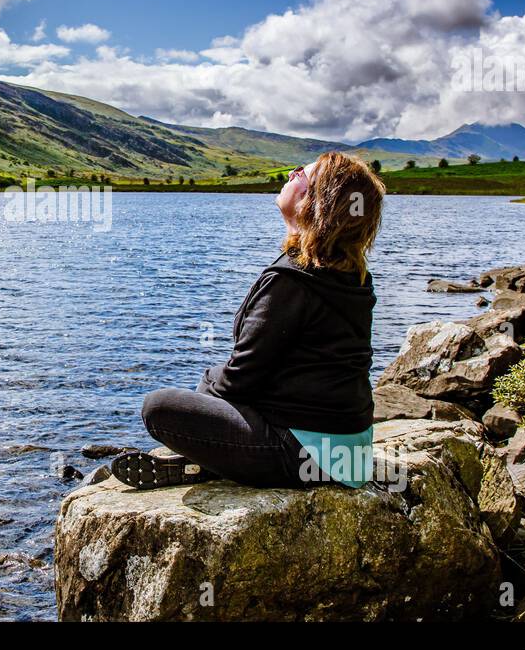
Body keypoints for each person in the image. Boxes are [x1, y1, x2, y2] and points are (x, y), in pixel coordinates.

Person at [111, 152, 385, 490]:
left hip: (304, 456)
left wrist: (209, 386)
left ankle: (209, 463)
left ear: (315, 201)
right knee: (209, 388)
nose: (291, 172)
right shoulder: (352, 274)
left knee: (159, 407)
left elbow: (242, 378)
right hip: (348, 453)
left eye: (302, 173)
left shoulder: (293, 281)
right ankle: (214, 461)